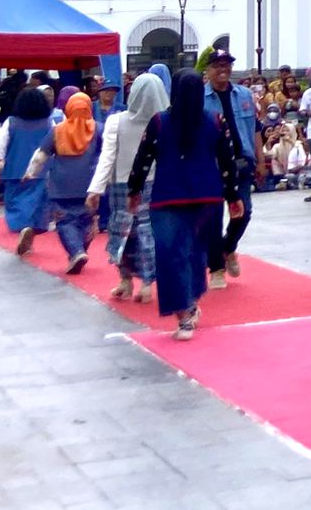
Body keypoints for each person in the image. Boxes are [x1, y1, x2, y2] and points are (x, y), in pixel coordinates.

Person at [129, 70, 243, 341]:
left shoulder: (160, 122)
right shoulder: (215, 121)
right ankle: (189, 303)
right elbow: (227, 161)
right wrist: (233, 196)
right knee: (194, 253)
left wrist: (134, 189)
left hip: (168, 197)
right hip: (207, 198)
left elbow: (144, 157)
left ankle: (184, 311)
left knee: (171, 254)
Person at [87, 72, 168, 303]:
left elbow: (107, 158)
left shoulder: (117, 120)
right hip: (152, 184)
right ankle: (146, 283)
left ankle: (127, 280)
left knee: (122, 232)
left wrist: (95, 189)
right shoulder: (164, 121)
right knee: (147, 233)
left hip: (122, 185)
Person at [26, 92, 102, 274]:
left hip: (61, 187)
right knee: (85, 218)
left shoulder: (58, 130)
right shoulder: (99, 129)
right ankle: (80, 247)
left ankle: (76, 251)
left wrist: (30, 173)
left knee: (65, 221)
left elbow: (40, 155)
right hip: (89, 185)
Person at [202, 49, 259, 287]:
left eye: (226, 65)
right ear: (208, 69)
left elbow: (256, 128)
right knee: (213, 218)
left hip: (242, 162)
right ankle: (215, 268)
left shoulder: (243, 94)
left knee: (243, 212)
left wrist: (261, 159)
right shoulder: (200, 98)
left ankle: (229, 248)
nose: (223, 69)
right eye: (217, 65)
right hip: (211, 165)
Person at [0, 87, 55, 254]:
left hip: (14, 170)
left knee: (16, 202)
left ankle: (22, 227)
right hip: (41, 171)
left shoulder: (11, 122)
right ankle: (33, 228)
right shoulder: (49, 122)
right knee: (37, 203)